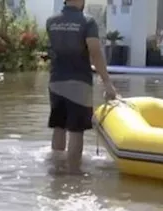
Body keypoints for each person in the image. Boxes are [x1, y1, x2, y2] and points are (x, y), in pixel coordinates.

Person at [45, 0, 119, 167]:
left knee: (59, 126)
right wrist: (107, 82)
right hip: (79, 83)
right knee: (76, 130)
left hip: (55, 81)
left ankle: (56, 171)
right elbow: (95, 52)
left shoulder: (51, 21)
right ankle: (73, 174)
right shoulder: (87, 21)